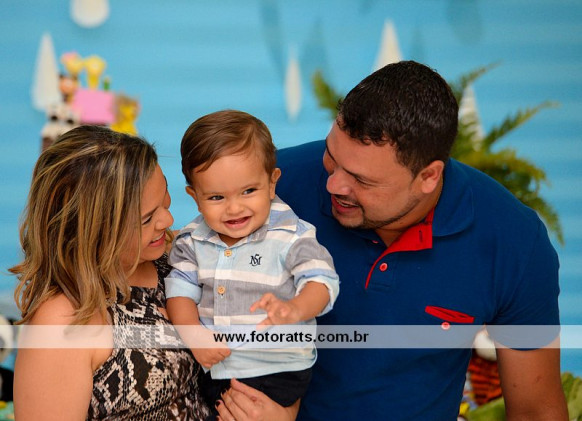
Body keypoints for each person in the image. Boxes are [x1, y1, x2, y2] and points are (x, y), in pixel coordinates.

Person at [215, 61, 568, 420]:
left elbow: (535, 411)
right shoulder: (267, 189)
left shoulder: (513, 241)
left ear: (428, 177)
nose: (334, 184)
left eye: (362, 180)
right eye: (331, 157)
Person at [10, 125, 211, 420]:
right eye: (146, 219)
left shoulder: (176, 255)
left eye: (165, 197)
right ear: (92, 231)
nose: (168, 220)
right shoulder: (66, 321)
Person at [165, 110, 339, 417]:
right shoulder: (192, 240)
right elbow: (180, 292)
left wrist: (295, 308)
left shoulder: (291, 235)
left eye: (248, 191)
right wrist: (193, 335)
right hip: (214, 367)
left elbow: (321, 282)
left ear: (272, 183)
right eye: (216, 198)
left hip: (277, 370)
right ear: (194, 196)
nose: (234, 208)